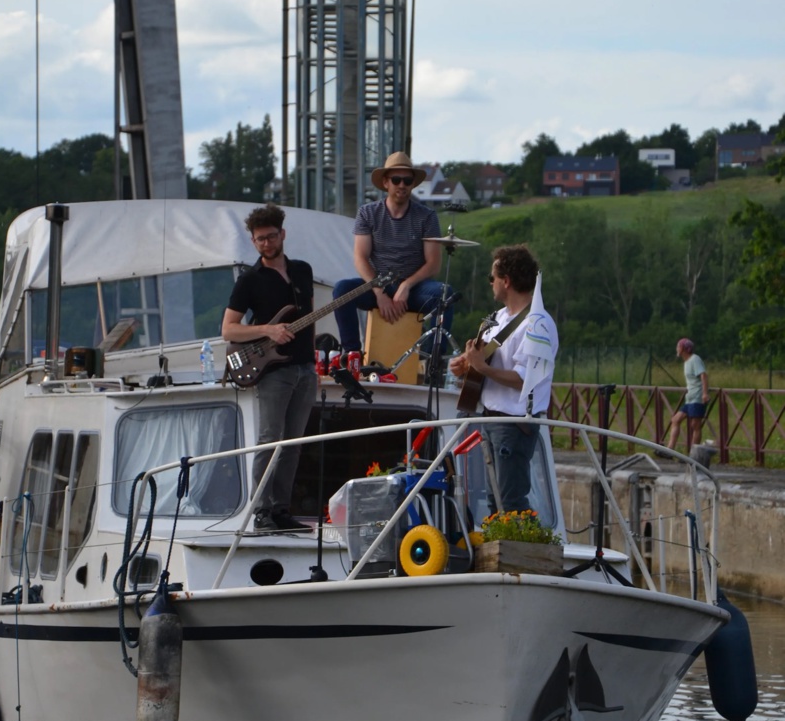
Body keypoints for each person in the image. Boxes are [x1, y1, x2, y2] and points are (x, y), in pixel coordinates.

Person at [222, 204, 315, 532]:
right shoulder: (250, 280)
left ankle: (280, 510)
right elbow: (228, 330)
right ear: (253, 241)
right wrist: (268, 330)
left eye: (271, 237)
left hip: (306, 368)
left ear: (282, 234)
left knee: (293, 442)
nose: (266, 243)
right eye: (259, 239)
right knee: (269, 439)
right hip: (274, 371)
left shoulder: (303, 271)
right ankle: (261, 512)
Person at [449, 245, 558, 514]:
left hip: (513, 424)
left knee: (511, 502)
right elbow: (483, 358)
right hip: (491, 418)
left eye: (492, 278)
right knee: (493, 502)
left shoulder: (537, 324)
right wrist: (464, 364)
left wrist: (482, 369)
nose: (490, 284)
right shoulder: (497, 318)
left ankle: (523, 552)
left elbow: (525, 380)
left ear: (506, 281)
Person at [332, 151, 454, 358]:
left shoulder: (427, 216)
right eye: (396, 180)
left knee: (445, 295)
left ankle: (430, 361)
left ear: (413, 184)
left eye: (407, 180)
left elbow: (433, 264)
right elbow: (360, 258)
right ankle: (352, 354)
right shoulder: (367, 213)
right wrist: (379, 292)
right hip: (378, 285)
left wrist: (406, 285)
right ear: (386, 182)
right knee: (342, 290)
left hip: (414, 288)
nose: (402, 185)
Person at [667, 338, 709, 453]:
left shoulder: (695, 359)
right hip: (690, 398)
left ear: (684, 349)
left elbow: (703, 376)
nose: (677, 349)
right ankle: (670, 450)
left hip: (697, 397)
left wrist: (705, 393)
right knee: (675, 420)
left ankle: (693, 453)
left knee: (695, 425)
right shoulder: (686, 362)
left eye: (678, 347)